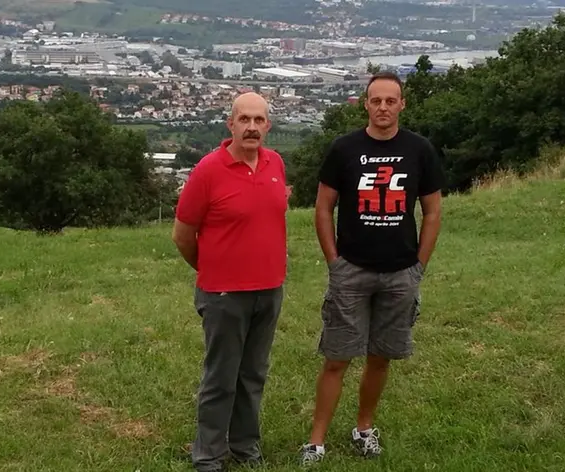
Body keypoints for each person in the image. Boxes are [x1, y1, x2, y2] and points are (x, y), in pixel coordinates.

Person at [300, 71, 446, 464]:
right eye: (376, 100)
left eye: (390, 100)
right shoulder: (344, 148)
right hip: (352, 270)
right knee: (337, 358)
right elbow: (322, 207)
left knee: (381, 357)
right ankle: (316, 441)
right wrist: (334, 262)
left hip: (401, 272)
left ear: (402, 104)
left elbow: (432, 211)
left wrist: (419, 265)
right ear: (365, 104)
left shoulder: (419, 150)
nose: (383, 107)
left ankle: (364, 428)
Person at [172, 92, 289, 472]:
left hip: (269, 289)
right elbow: (183, 234)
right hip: (224, 293)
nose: (252, 127)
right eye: (244, 120)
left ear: (268, 126)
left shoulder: (275, 164)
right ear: (231, 124)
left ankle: (244, 447)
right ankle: (208, 455)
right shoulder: (208, 170)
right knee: (221, 378)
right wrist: (210, 270)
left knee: (253, 374)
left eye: (259, 120)